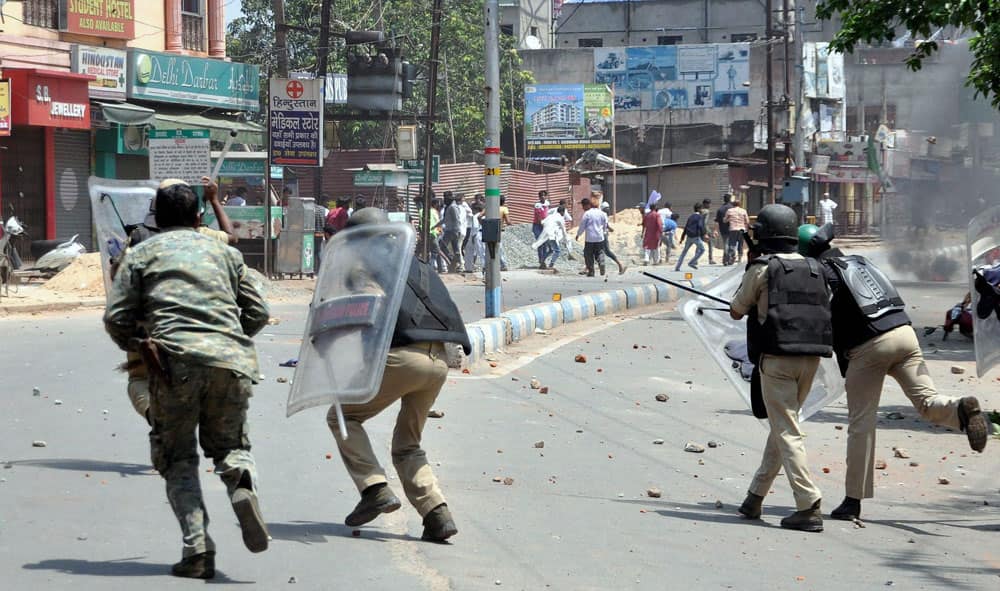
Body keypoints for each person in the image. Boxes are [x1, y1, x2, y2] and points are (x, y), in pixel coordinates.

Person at [104, 182, 271, 578]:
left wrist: (138, 343)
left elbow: (116, 317)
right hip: (231, 362)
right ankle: (242, 486)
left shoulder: (141, 253)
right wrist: (230, 339)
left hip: (172, 364)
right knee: (230, 446)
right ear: (199, 217)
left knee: (177, 457)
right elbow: (259, 311)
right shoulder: (225, 253)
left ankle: (197, 550)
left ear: (157, 220)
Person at [799, 223, 989, 521]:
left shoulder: (822, 273)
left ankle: (853, 501)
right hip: (905, 335)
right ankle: (960, 409)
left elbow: (819, 318)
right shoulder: (860, 262)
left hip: (869, 347)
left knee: (861, 424)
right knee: (927, 401)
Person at [327, 208, 472, 542]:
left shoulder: (364, 266)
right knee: (408, 445)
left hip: (402, 356)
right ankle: (436, 513)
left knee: (343, 417)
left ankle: (374, 488)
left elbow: (369, 307)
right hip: (438, 362)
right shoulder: (419, 266)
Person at [731, 204, 833, 532]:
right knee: (783, 426)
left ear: (764, 236)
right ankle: (754, 497)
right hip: (812, 358)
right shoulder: (816, 267)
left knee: (787, 430)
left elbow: (736, 309)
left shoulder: (762, 268)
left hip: (777, 359)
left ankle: (808, 503)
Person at [112, 178, 237, 424]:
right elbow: (232, 238)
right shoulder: (203, 236)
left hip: (146, 325)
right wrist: (213, 199)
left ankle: (153, 413)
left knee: (138, 379)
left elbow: (117, 276)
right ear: (196, 216)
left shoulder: (137, 238)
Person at [576, 197, 608, 277]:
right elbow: (605, 225)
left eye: (583, 206)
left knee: (588, 254)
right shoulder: (602, 213)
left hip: (590, 238)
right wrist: (603, 232)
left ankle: (591, 271)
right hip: (600, 237)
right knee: (600, 252)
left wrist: (578, 234)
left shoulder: (587, 214)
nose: (583, 208)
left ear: (589, 205)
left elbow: (582, 226)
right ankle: (601, 261)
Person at [674, 204, 707, 271]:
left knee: (684, 252)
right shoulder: (699, 217)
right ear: (698, 209)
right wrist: (704, 234)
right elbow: (700, 226)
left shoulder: (690, 217)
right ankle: (692, 262)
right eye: (701, 209)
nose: (702, 210)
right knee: (702, 250)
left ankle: (677, 267)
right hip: (696, 237)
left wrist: (682, 238)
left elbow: (686, 227)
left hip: (689, 237)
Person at [599, 200, 627, 274]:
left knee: (605, 251)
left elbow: (605, 226)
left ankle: (620, 265)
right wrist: (611, 229)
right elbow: (606, 226)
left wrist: (609, 229)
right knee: (598, 251)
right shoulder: (604, 215)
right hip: (601, 235)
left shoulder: (602, 215)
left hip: (601, 236)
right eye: (606, 209)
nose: (608, 211)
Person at [724, 198, 750, 265]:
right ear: (740, 204)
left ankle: (732, 257)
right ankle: (740, 258)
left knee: (732, 244)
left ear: (733, 204)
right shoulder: (743, 211)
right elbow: (747, 221)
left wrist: (729, 219)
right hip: (742, 229)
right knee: (740, 244)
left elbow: (724, 220)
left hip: (733, 229)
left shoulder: (729, 210)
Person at [716, 194, 734, 265]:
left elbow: (717, 221)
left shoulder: (720, 209)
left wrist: (716, 230)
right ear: (730, 199)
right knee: (732, 244)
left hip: (723, 229)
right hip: (732, 228)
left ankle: (725, 260)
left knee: (725, 244)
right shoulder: (732, 208)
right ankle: (729, 259)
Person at [533, 191, 550, 264]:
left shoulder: (547, 204)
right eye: (541, 196)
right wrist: (543, 224)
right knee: (540, 243)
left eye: (544, 195)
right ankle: (541, 260)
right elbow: (538, 216)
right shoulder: (537, 205)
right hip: (538, 226)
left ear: (546, 196)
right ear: (539, 197)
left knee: (545, 243)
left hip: (545, 225)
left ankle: (543, 260)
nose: (543, 197)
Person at [700, 199, 717, 265]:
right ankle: (710, 259)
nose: (710, 205)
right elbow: (704, 223)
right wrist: (706, 232)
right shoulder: (706, 211)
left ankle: (695, 259)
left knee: (698, 243)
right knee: (710, 243)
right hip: (704, 230)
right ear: (705, 204)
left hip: (699, 229)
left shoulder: (700, 210)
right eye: (709, 204)